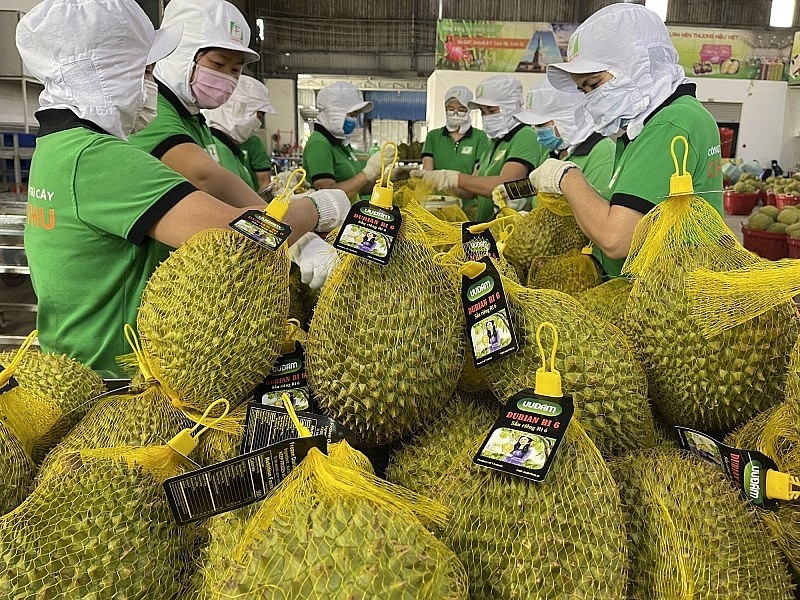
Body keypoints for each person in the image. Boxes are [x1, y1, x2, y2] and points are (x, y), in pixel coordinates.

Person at [15, 0, 343, 378]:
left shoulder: (58, 146)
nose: (151, 84)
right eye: (145, 71)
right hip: (114, 376)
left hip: (77, 359)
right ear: (107, 72)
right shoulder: (98, 159)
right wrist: (316, 209)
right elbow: (246, 237)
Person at [129, 0, 343, 291]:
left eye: (236, 70)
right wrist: (305, 216)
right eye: (218, 64)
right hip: (153, 289)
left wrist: (282, 224)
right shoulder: (154, 111)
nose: (227, 78)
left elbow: (227, 193)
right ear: (180, 53)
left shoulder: (194, 120)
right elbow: (206, 178)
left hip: (196, 279)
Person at [522, 3, 724, 278]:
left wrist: (566, 177)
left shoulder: (670, 123)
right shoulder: (641, 128)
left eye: (593, 84)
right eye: (583, 91)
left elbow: (617, 239)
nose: (590, 98)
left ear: (637, 64)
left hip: (665, 303)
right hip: (650, 297)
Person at [411, 75, 549, 221]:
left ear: (511, 107)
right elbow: (471, 192)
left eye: (492, 110)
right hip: (488, 226)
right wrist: (437, 179)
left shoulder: (525, 136)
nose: (486, 116)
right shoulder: (494, 143)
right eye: (483, 112)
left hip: (510, 230)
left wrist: (453, 178)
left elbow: (504, 186)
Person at [514, 78, 615, 193]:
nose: (537, 131)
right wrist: (513, 192)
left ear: (567, 119)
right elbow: (540, 184)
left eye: (541, 125)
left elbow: (592, 206)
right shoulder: (556, 148)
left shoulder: (602, 154)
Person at [302, 81, 387, 201]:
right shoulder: (319, 144)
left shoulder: (340, 144)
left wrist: (388, 179)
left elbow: (357, 187)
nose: (354, 120)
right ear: (335, 112)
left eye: (356, 115)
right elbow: (327, 194)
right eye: (351, 115)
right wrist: (367, 173)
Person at [203, 74, 278, 191]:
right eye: (258, 115)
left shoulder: (230, 150)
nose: (258, 124)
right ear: (239, 109)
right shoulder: (219, 149)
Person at [420, 86, 489, 176]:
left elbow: (478, 173)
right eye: (451, 109)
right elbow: (427, 171)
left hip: (469, 189)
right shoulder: (433, 136)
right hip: (437, 189)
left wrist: (459, 185)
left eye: (461, 110)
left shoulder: (480, 137)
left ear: (469, 110)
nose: (455, 113)